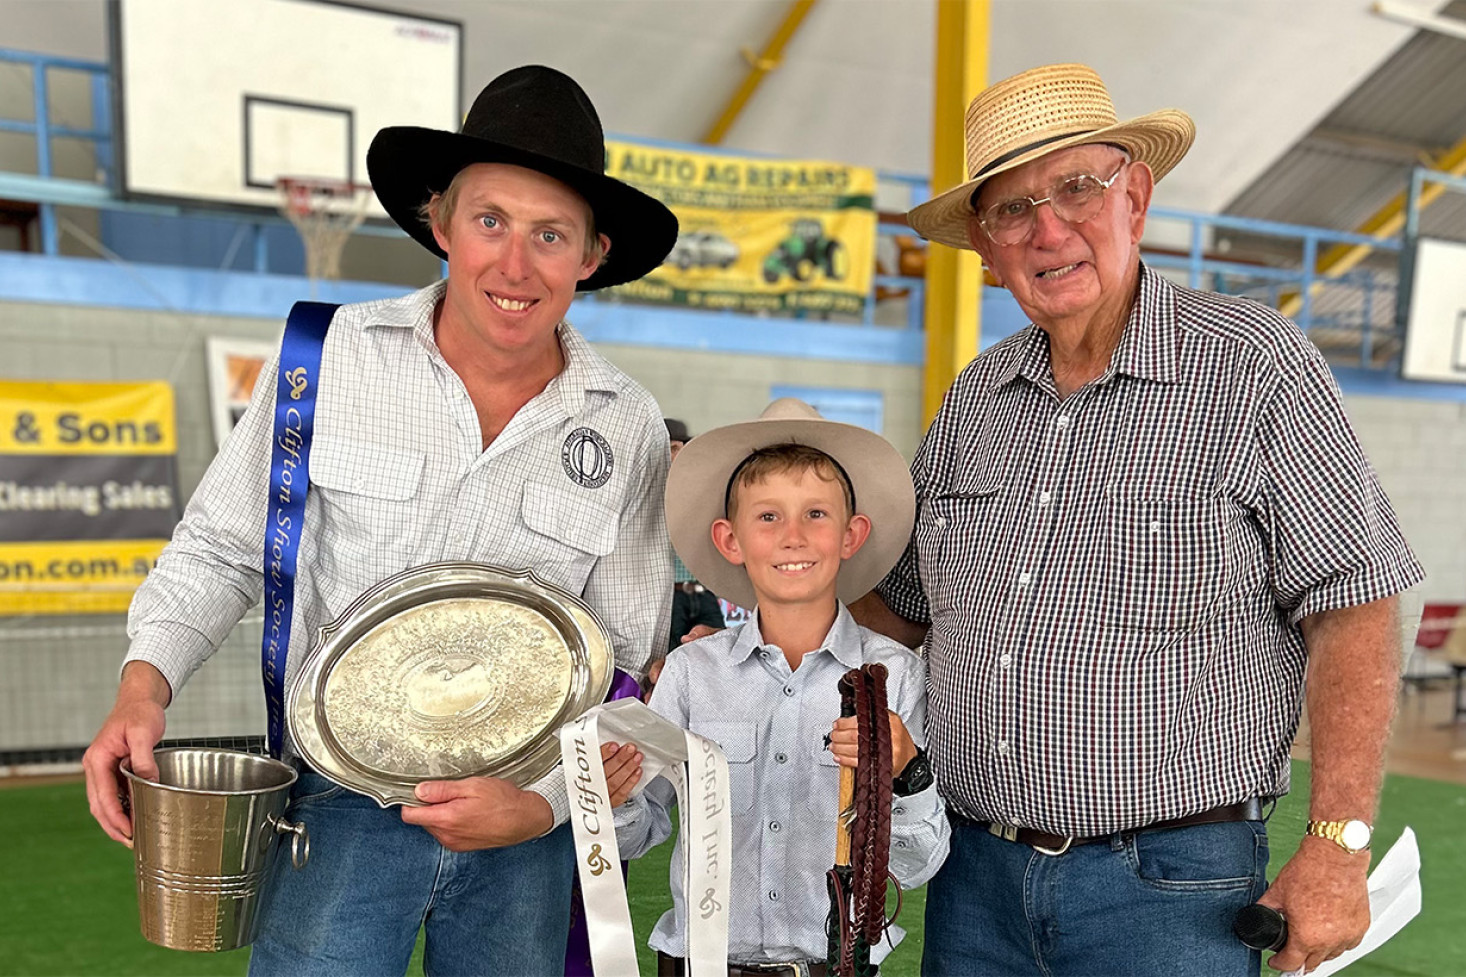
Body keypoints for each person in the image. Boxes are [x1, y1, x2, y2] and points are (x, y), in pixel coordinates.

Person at [80, 65, 678, 976]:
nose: (514, 265)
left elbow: (628, 660)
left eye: (550, 234)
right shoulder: (331, 358)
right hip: (337, 806)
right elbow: (221, 547)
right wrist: (144, 684)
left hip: (521, 820)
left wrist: (546, 806)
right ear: (438, 221)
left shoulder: (626, 419)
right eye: (490, 222)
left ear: (591, 256)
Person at [852, 63, 1425, 976]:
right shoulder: (973, 402)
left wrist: (1338, 842)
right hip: (972, 878)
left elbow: (1354, 604)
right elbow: (899, 607)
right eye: (1011, 210)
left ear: (1137, 198)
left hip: (1169, 885)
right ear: (988, 253)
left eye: (1077, 188)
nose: (1048, 229)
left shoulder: (1253, 365)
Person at [601, 398, 951, 975]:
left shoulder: (896, 677)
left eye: (816, 514)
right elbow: (640, 834)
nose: (793, 537)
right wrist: (613, 799)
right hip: (699, 963)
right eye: (768, 516)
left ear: (851, 534)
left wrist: (904, 769)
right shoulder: (693, 674)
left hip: (834, 965)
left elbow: (917, 866)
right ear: (730, 539)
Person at [664, 418, 725, 658]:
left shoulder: (700, 493)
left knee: (719, 654)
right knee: (669, 658)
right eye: (669, 449)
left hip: (702, 591)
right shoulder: (649, 491)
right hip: (672, 594)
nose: (674, 456)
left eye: (678, 448)